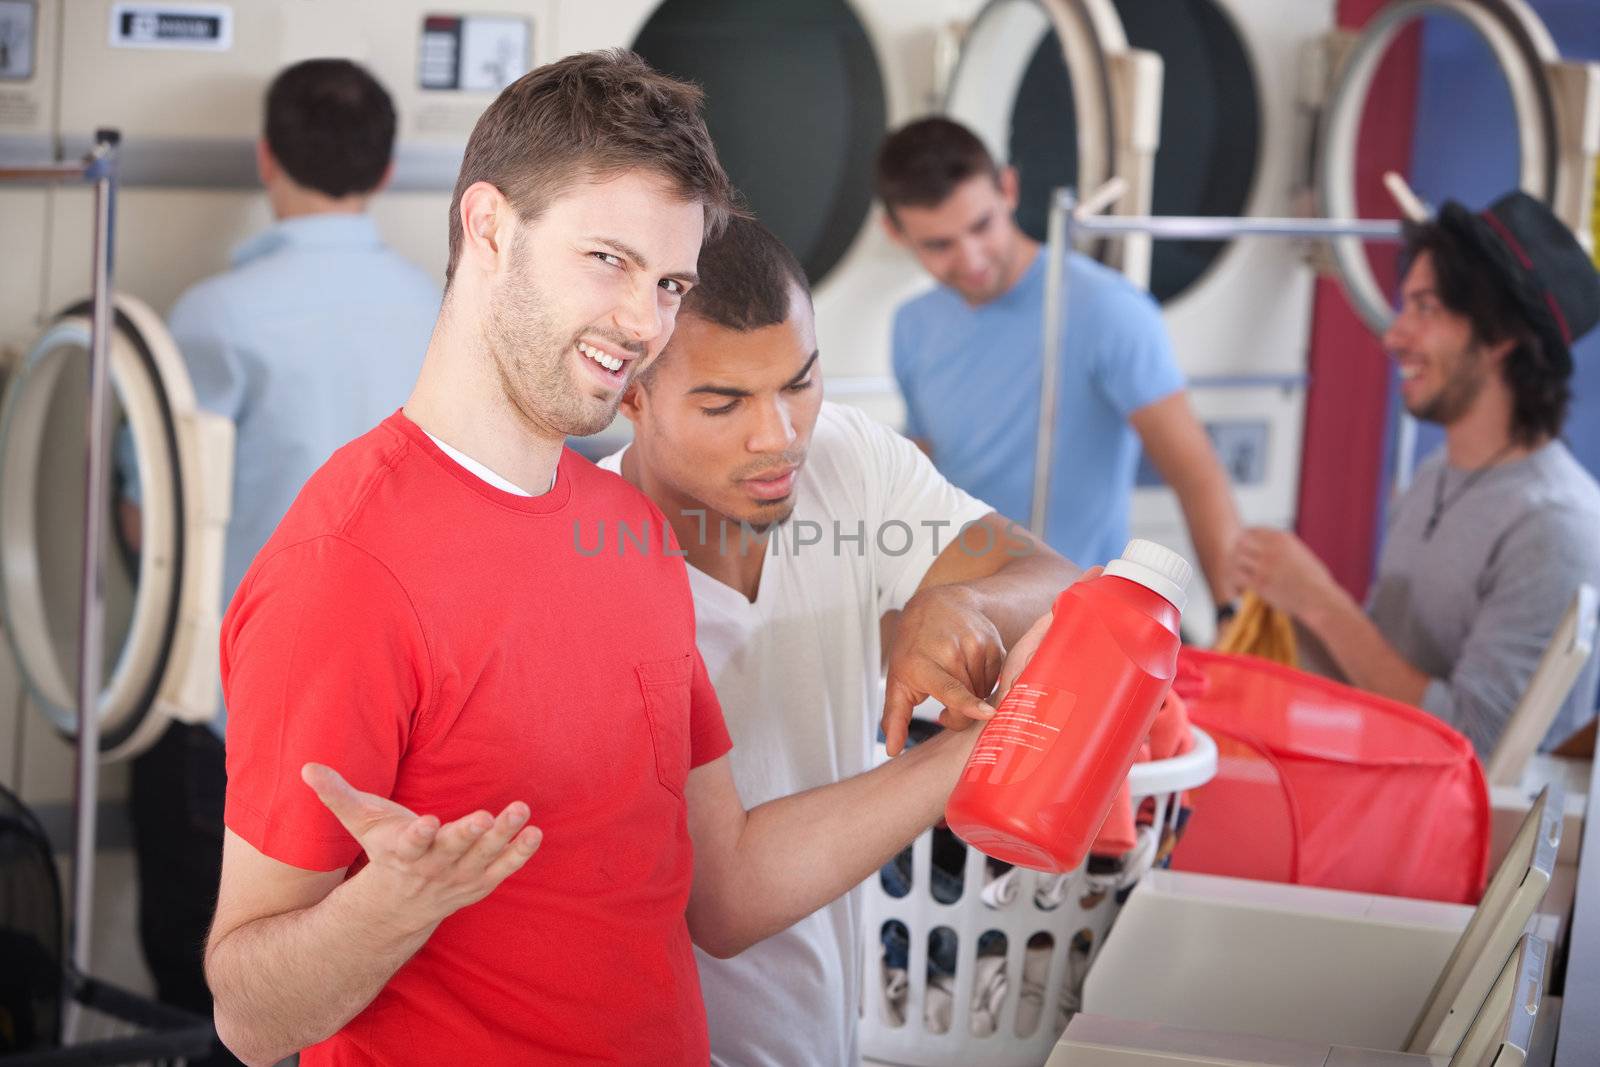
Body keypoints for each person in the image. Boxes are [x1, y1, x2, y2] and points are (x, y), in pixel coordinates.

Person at [203, 51, 1043, 1066]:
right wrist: (391, 905)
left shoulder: (627, 530)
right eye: (608, 260)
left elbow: (723, 887)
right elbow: (249, 1017)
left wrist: (969, 748)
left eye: (668, 282)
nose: (642, 324)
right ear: (489, 227)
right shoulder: (344, 568)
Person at [600, 215, 1078, 1065]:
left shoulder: (845, 460)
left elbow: (1055, 581)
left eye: (799, 381)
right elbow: (726, 900)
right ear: (630, 393)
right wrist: (985, 746)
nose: (779, 436)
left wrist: (961, 602)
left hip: (826, 1032)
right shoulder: (600, 563)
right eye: (724, 402)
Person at [119, 58, 437, 1060]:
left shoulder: (216, 316)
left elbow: (149, 523)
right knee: (352, 983)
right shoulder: (442, 314)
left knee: (208, 981)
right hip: (396, 721)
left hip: (235, 712)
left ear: (267, 158)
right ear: (386, 169)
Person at [1234, 191, 1600, 756]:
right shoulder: (1435, 476)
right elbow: (1377, 677)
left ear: (1502, 335)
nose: (1394, 335)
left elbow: (1478, 746)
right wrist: (1282, 602)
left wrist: (1321, 603)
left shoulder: (1556, 528)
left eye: (1425, 309)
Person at [876, 117, 1241, 609]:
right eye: (939, 245)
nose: (971, 257)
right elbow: (923, 458)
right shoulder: (912, 324)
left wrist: (1232, 615)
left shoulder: (1107, 311)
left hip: (1077, 617)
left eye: (981, 226)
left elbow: (1195, 474)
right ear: (895, 233)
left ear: (1008, 188)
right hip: (959, 613)